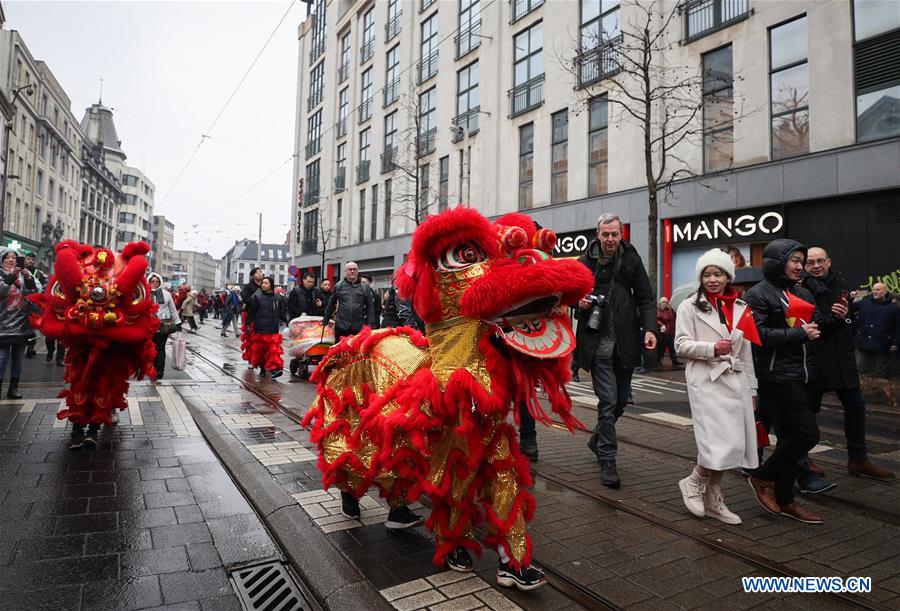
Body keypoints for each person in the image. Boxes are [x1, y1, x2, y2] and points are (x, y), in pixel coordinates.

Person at [675, 249, 758, 525]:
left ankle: (713, 497)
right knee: (715, 441)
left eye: (718, 274)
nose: (713, 279)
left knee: (733, 441)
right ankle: (693, 482)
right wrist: (712, 348)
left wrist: (753, 388)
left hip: (735, 381)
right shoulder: (689, 306)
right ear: (701, 278)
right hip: (705, 379)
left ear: (728, 277)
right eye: (707, 274)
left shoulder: (741, 308)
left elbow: (746, 352)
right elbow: (681, 346)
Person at [744, 239, 823, 524]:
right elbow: (760, 337)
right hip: (777, 377)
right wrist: (800, 335)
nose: (800, 265)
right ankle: (762, 477)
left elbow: (815, 329)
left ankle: (786, 498)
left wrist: (839, 319)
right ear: (778, 262)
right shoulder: (758, 294)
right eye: (794, 260)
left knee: (791, 438)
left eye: (802, 260)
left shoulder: (801, 293)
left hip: (802, 375)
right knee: (807, 435)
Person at [577, 213, 657, 488]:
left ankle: (597, 438)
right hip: (597, 344)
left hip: (625, 343)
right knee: (608, 402)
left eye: (614, 234)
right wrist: (581, 303)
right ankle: (608, 459)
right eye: (605, 234)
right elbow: (569, 296)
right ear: (597, 234)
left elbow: (646, 297)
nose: (610, 239)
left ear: (621, 234)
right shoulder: (585, 261)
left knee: (622, 401)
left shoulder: (631, 258)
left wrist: (650, 329)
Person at [803, 249, 894, 479]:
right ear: (805, 266)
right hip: (816, 357)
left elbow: (850, 316)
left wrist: (846, 317)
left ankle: (858, 459)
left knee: (855, 406)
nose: (815, 265)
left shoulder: (840, 282)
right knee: (807, 411)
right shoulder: (802, 288)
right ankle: (802, 456)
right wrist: (838, 318)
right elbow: (815, 324)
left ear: (828, 262)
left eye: (820, 261)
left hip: (843, 356)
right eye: (810, 262)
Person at [0, 248, 41, 398]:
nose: (11, 260)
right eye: (7, 257)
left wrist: (28, 278)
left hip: (22, 323)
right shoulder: (2, 274)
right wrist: (11, 276)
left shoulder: (25, 275)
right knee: (2, 358)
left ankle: (13, 388)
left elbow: (35, 292)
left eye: (14, 257)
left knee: (18, 357)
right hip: (2, 324)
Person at [853, 282, 899, 407]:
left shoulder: (894, 308)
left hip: (883, 344)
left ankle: (880, 396)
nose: (875, 292)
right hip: (863, 342)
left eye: (878, 290)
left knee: (880, 372)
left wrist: (895, 343)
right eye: (873, 289)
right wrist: (850, 297)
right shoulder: (864, 303)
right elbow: (849, 307)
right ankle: (858, 394)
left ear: (885, 292)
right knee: (859, 368)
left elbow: (897, 328)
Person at [323, 261, 377, 342]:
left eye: (354, 269)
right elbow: (330, 305)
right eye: (350, 269)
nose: (352, 271)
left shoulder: (365, 287)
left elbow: (370, 307)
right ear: (345, 271)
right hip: (341, 326)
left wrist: (370, 324)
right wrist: (325, 321)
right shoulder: (338, 286)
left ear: (357, 271)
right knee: (340, 351)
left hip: (358, 326)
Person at [247, 276, 288, 378]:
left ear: (271, 285)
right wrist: (248, 324)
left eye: (266, 283)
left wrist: (287, 320)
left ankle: (274, 369)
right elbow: (251, 312)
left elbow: (282, 312)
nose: (263, 285)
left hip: (273, 329)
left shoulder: (278, 298)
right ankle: (262, 368)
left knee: (273, 350)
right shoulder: (257, 297)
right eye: (263, 283)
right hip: (260, 328)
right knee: (261, 351)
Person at [148, 273, 180, 381]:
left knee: (160, 349)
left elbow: (173, 309)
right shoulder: (144, 293)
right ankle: (152, 369)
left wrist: (178, 322)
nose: (154, 283)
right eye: (152, 281)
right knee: (151, 349)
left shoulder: (166, 294)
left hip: (163, 326)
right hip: (149, 326)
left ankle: (160, 370)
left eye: (156, 281)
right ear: (149, 282)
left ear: (160, 282)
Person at [23, 251, 47, 359]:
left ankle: (30, 347)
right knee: (22, 324)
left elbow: (44, 288)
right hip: (21, 302)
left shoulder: (39, 274)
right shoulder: (20, 271)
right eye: (28, 259)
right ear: (24, 260)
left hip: (34, 303)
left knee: (33, 324)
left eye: (32, 259)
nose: (30, 261)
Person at [241, 268, 263, 364]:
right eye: (258, 273)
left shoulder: (265, 285)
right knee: (250, 339)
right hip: (251, 314)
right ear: (252, 275)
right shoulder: (248, 286)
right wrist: (256, 295)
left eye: (261, 273)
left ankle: (262, 360)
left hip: (262, 315)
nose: (260, 274)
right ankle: (250, 359)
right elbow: (245, 300)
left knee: (262, 339)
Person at [656, 297, 679, 367]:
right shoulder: (659, 310)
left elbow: (675, 317)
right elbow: (656, 319)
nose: (665, 304)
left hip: (671, 331)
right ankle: (659, 361)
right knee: (661, 348)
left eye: (666, 302)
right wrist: (661, 325)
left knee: (672, 348)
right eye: (663, 302)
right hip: (663, 333)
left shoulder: (671, 310)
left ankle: (674, 361)